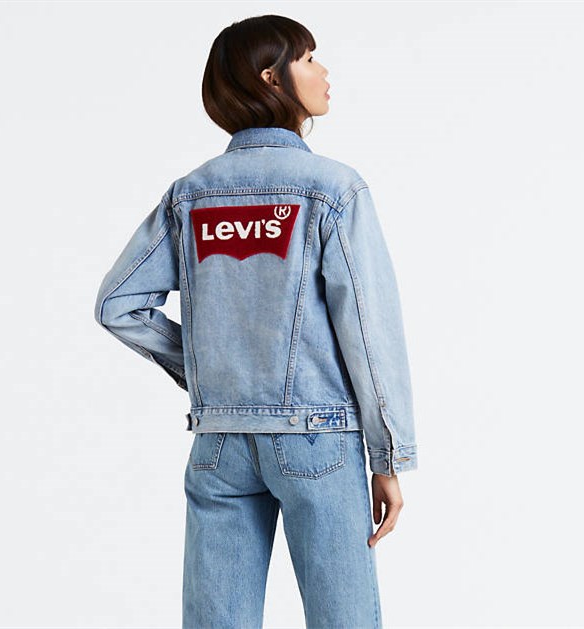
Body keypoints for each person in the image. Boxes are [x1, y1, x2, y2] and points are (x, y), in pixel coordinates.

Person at [94, 14, 418, 629]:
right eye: (309, 58)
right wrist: (388, 456)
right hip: (318, 439)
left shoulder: (191, 193)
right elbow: (369, 332)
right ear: (272, 77)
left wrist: (210, 376)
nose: (324, 71)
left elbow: (118, 304)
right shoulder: (332, 189)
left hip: (219, 441)